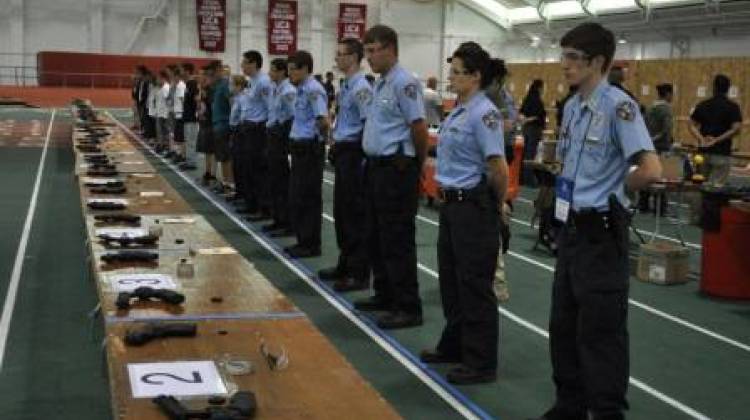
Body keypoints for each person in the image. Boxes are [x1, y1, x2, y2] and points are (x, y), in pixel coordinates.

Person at [532, 22, 662, 420]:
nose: (564, 65)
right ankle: (570, 404)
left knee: (601, 331)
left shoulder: (618, 106)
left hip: (601, 232)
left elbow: (651, 167)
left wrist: (620, 190)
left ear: (599, 62)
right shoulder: (572, 107)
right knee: (564, 324)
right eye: (564, 56)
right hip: (571, 229)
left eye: (574, 58)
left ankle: (606, 412)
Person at [419, 41, 507, 385]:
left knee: (474, 286)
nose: (450, 77)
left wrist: (495, 206)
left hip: (473, 206)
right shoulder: (459, 110)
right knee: (452, 282)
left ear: (476, 76)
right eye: (451, 71)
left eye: (457, 72)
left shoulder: (484, 113)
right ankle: (455, 346)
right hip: (452, 206)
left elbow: (497, 167)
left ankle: (481, 361)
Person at [354, 25, 428, 329]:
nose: (368, 57)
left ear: (390, 49)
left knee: (397, 240)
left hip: (396, 171)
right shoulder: (381, 83)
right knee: (376, 236)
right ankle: (385, 294)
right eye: (366, 51)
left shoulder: (404, 83)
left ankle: (408, 306)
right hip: (375, 169)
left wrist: (415, 166)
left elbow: (419, 128)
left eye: (373, 50)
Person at [317, 38, 372, 292]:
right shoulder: (347, 84)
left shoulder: (361, 86)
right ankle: (345, 263)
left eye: (341, 54)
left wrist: (356, 153)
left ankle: (358, 272)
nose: (337, 58)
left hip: (354, 153)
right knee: (342, 213)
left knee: (353, 215)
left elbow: (368, 123)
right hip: (344, 150)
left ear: (353, 57)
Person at [284, 50, 330, 258]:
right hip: (300, 147)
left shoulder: (313, 89)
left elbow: (323, 121)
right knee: (298, 197)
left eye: (293, 70)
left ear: (305, 69)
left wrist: (315, 142)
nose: (290, 74)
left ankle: (311, 244)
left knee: (308, 197)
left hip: (309, 149)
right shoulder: (302, 89)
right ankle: (303, 240)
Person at [238, 50, 274, 221]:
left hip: (259, 129)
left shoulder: (264, 82)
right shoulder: (252, 81)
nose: (242, 66)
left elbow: (270, 108)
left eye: (245, 62)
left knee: (260, 170)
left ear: (253, 63)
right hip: (249, 127)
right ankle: (251, 203)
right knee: (249, 169)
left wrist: (265, 129)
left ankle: (263, 207)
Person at [689, 74, 743, 186]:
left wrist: (702, 139)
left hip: (703, 152)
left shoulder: (703, 105)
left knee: (700, 185)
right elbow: (736, 129)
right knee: (716, 188)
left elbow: (691, 125)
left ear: (713, 87)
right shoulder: (733, 107)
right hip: (722, 152)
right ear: (728, 89)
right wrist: (717, 140)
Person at [263, 58, 296, 237]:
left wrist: (282, 136)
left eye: (273, 70)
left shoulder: (288, 91)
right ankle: (277, 219)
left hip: (281, 138)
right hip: (273, 136)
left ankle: (286, 222)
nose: (270, 73)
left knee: (283, 183)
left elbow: (292, 116)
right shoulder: (276, 89)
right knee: (274, 182)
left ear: (282, 72)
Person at [640, 83, 674, 214]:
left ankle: (643, 204)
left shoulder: (650, 108)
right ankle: (661, 207)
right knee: (665, 178)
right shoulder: (666, 110)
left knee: (647, 176)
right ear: (668, 94)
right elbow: (666, 130)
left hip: (649, 147)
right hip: (662, 147)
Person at [209, 61, 234, 193]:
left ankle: (229, 184)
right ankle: (225, 181)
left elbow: (232, 102)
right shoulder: (218, 86)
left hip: (224, 123)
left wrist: (233, 121)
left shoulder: (224, 85)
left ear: (219, 71)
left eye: (213, 73)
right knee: (222, 156)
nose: (211, 76)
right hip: (218, 123)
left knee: (226, 156)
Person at [520, 79, 547, 185]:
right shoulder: (538, 100)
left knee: (525, 154)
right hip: (534, 130)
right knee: (530, 155)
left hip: (526, 129)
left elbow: (521, 113)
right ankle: (529, 179)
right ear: (540, 88)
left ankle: (523, 178)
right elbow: (538, 116)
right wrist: (530, 119)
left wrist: (525, 120)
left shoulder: (527, 98)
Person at [196, 64, 217, 185]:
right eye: (199, 75)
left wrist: (205, 97)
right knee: (206, 150)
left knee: (212, 150)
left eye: (203, 75)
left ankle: (213, 175)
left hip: (210, 123)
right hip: (203, 122)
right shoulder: (202, 89)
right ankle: (207, 172)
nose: (201, 77)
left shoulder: (211, 90)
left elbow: (213, 106)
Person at [179, 62, 199, 171]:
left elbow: (196, 99)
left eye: (182, 70)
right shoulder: (188, 84)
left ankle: (192, 162)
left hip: (191, 117)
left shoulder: (192, 83)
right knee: (188, 140)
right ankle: (189, 160)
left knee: (191, 140)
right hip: (187, 116)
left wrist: (196, 113)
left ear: (187, 71)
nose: (180, 73)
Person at [171, 66, 187, 164]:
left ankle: (182, 155)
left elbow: (182, 100)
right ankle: (179, 153)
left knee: (180, 137)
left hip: (181, 114)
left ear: (177, 76)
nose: (172, 78)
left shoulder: (181, 86)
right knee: (177, 136)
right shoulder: (177, 85)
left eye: (173, 76)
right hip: (177, 113)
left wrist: (182, 112)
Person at [155, 69, 171, 153]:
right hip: (160, 112)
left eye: (158, 78)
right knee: (161, 131)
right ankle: (162, 145)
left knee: (163, 131)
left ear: (162, 78)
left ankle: (163, 146)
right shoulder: (162, 87)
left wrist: (166, 114)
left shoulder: (166, 87)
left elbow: (168, 100)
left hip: (164, 113)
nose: (157, 80)